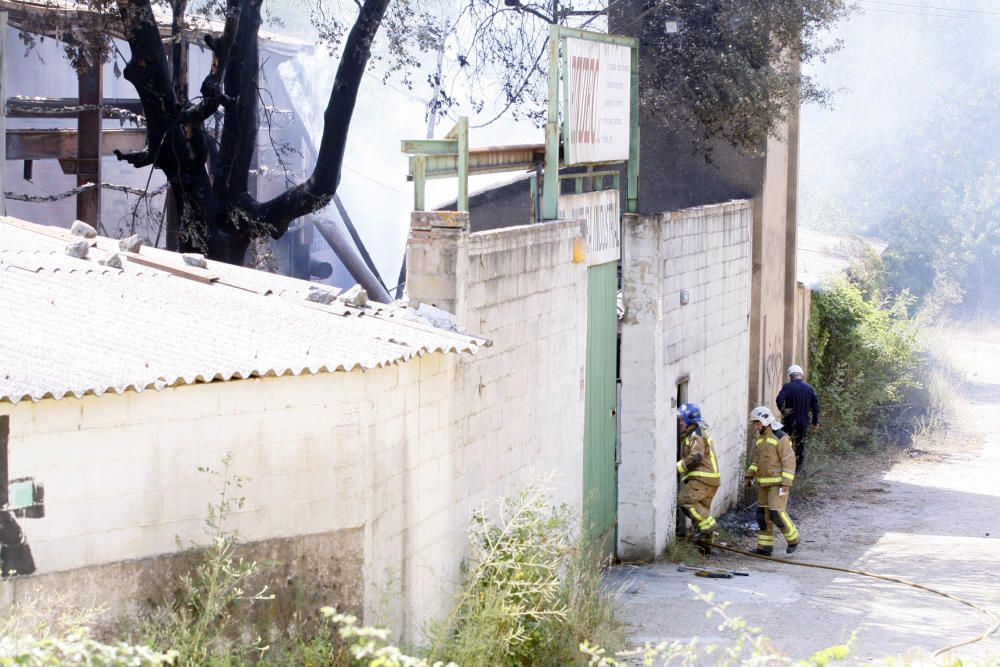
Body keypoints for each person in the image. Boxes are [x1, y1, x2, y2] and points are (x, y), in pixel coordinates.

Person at [745, 406, 800, 556]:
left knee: (776, 513)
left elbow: (789, 461)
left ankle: (793, 538)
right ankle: (765, 547)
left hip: (778, 484)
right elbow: (758, 460)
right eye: (754, 424)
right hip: (764, 484)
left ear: (765, 421)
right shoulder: (760, 440)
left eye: (757, 423)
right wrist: (750, 474)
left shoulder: (780, 437)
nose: (756, 427)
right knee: (762, 515)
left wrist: (786, 483)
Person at [676, 403, 721, 550]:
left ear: (689, 419)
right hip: (711, 478)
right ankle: (704, 548)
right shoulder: (695, 431)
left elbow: (697, 456)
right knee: (700, 510)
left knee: (686, 501)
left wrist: (679, 467)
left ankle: (710, 525)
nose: (680, 423)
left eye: (682, 419)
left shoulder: (696, 434)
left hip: (703, 478)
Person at [776, 364, 819, 470]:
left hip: (789, 420)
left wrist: (783, 411)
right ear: (801, 375)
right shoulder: (809, 389)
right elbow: (816, 407)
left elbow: (779, 399)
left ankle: (786, 467)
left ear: (790, 376)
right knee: (800, 444)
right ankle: (798, 469)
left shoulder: (788, 387)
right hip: (803, 422)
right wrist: (814, 423)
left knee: (786, 443)